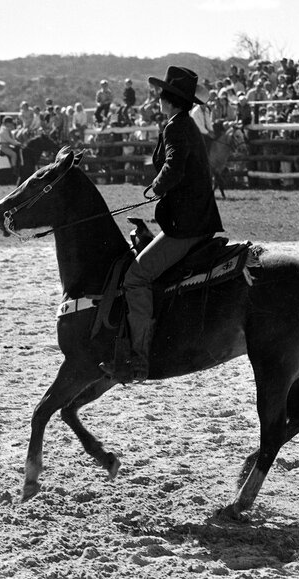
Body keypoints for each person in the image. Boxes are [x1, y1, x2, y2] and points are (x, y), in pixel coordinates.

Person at [100, 66, 223, 383]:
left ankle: (139, 359)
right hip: (198, 219)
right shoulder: (186, 124)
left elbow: (174, 164)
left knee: (136, 278)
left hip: (186, 225)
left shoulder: (175, 128)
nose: (156, 99)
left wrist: (156, 186)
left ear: (167, 99)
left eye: (160, 95)